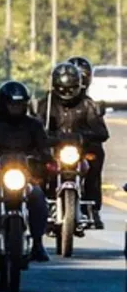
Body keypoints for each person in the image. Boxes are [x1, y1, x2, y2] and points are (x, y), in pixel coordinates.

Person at [0, 81, 50, 262]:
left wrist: (44, 158)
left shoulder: (34, 126)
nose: (16, 108)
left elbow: (44, 148)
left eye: (20, 104)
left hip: (24, 177)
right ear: (2, 104)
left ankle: (38, 243)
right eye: (12, 104)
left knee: (38, 197)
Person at [37, 59, 109, 228]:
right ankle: (38, 206)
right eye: (63, 89)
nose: (67, 92)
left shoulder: (87, 104)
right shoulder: (46, 104)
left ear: (79, 85)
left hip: (80, 150)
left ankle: (93, 207)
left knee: (95, 158)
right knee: (36, 166)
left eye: (71, 88)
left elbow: (102, 132)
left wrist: (84, 137)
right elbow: (36, 126)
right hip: (54, 149)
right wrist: (46, 136)